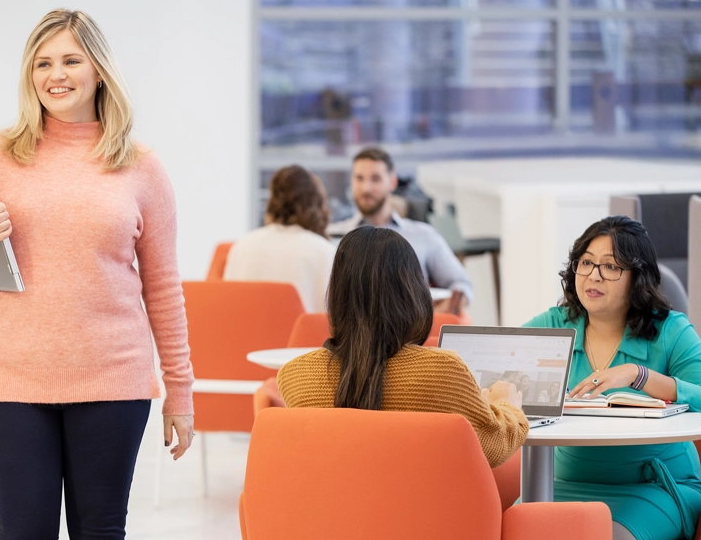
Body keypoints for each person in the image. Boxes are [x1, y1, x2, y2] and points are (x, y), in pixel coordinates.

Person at [0, 9, 193, 540]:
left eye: (70, 60)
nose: (56, 74)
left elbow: (163, 287)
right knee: (24, 533)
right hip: (13, 374)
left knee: (100, 534)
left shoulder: (140, 166)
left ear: (98, 69)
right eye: (43, 62)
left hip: (114, 375)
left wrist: (180, 390)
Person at [526, 216, 701, 540]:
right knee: (534, 534)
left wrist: (640, 376)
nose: (593, 276)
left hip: (655, 486)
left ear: (637, 277)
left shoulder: (670, 329)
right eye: (585, 262)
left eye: (611, 266)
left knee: (604, 538)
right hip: (565, 484)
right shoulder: (555, 323)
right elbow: (505, 369)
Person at [277, 226, 525, 469]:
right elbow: (494, 446)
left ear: (337, 295)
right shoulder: (442, 371)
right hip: (426, 509)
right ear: (413, 292)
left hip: (336, 509)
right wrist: (508, 406)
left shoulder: (295, 377)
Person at [328, 148, 473, 315]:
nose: (366, 188)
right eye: (359, 178)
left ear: (392, 182)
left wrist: (447, 307)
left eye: (375, 179)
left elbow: (461, 283)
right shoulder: (334, 236)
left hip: (414, 329)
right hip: (353, 330)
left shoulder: (423, 235)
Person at [223, 165, 336, 312]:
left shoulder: (242, 246)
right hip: (303, 335)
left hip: (246, 335)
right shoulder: (324, 251)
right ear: (316, 203)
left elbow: (227, 307)